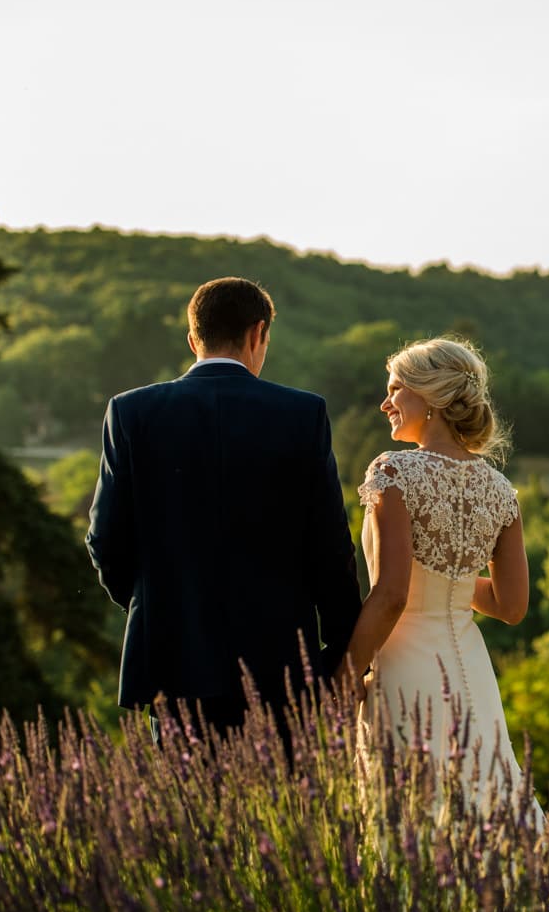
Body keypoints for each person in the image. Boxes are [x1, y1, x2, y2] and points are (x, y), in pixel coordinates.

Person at [85, 277, 362, 743]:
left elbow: (105, 541)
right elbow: (331, 551)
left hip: (173, 663)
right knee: (277, 812)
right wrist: (337, 658)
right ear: (259, 333)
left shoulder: (130, 412)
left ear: (193, 340)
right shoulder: (303, 415)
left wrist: (156, 606)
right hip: (281, 669)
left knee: (191, 813)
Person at [338, 336, 540, 818]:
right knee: (485, 804)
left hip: (409, 673)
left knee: (411, 817)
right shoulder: (500, 489)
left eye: (395, 389)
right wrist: (447, 584)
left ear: (429, 397)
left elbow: (391, 596)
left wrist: (345, 674)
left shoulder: (394, 472)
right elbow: (511, 608)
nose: (384, 402)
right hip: (471, 672)